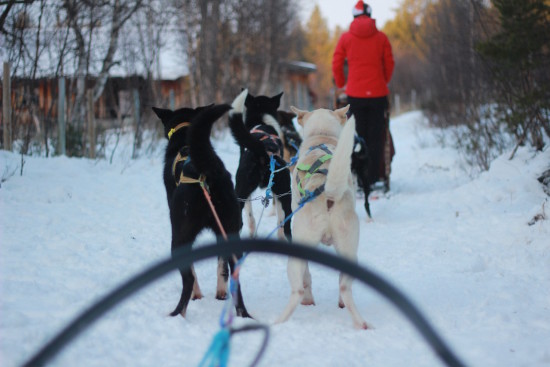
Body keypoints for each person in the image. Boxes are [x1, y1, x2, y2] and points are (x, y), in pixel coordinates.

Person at [332, 0, 395, 190]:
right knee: (376, 136)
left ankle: (359, 179)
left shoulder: (346, 38)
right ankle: (373, 177)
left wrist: (342, 83)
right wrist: (382, 80)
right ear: (369, 14)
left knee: (356, 136)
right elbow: (389, 63)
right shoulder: (382, 38)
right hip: (378, 94)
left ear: (354, 16)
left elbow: (336, 63)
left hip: (355, 95)